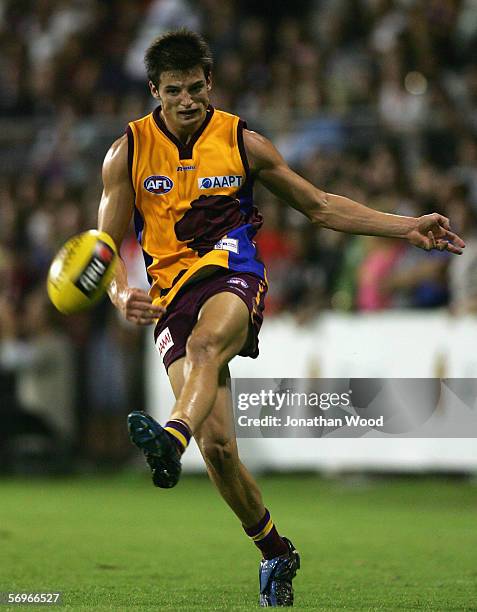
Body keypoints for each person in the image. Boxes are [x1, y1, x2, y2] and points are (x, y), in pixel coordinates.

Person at [97, 30, 465, 608]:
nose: (188, 100)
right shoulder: (128, 151)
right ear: (154, 90)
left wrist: (406, 226)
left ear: (209, 83)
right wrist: (121, 293)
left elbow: (320, 206)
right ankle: (274, 550)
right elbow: (104, 242)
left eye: (196, 88)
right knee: (219, 450)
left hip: (231, 274)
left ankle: (170, 437)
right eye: (175, 91)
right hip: (170, 297)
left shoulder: (243, 142)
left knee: (205, 348)